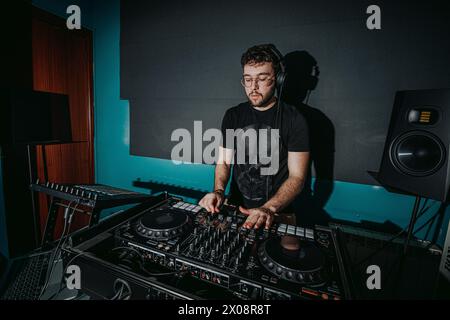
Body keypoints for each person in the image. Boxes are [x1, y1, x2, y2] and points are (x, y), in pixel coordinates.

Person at [199, 44, 310, 230]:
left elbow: (297, 177)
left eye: (262, 79)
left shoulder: (294, 119)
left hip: (278, 212)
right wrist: (218, 191)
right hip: (237, 208)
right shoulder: (233, 115)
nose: (253, 87)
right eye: (248, 80)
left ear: (278, 79)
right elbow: (224, 162)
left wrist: (268, 208)